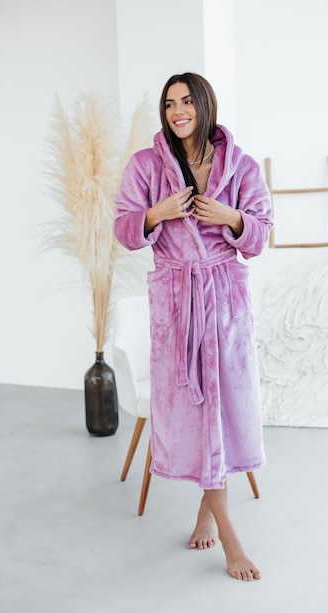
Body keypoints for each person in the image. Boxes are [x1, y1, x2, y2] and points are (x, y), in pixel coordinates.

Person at [114, 72, 273, 581]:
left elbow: (262, 234)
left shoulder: (241, 166)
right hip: (178, 308)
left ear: (204, 104)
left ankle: (208, 511)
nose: (177, 110)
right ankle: (230, 537)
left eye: (186, 101)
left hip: (225, 304)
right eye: (168, 103)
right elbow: (123, 228)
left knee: (224, 412)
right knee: (196, 413)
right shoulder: (146, 165)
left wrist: (233, 218)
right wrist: (155, 213)